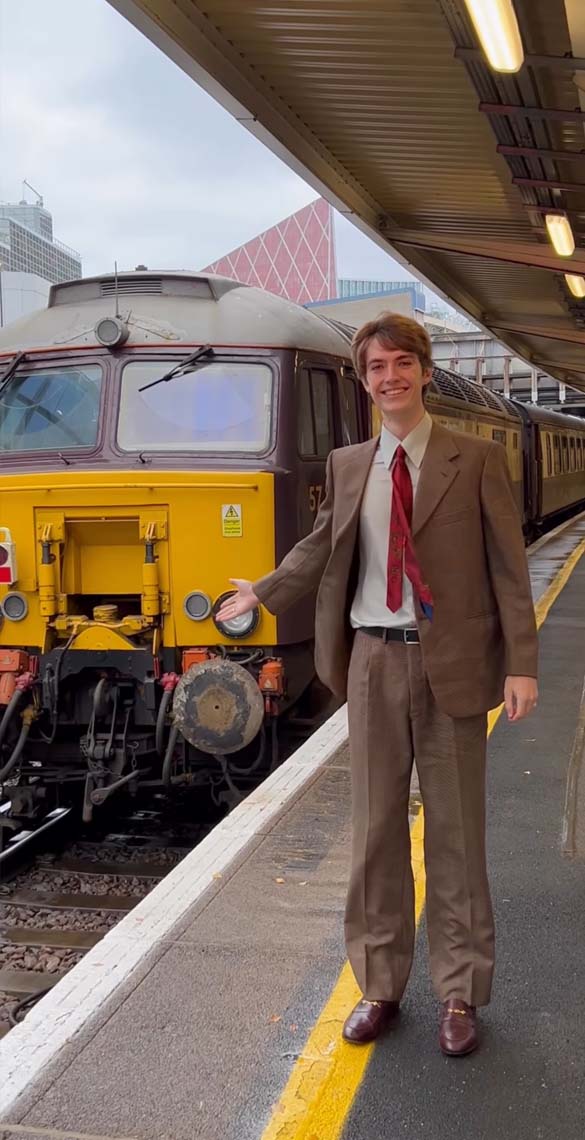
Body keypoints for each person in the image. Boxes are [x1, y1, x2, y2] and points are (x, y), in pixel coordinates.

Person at [215, 313, 538, 1057]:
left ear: (424, 371)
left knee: (455, 838)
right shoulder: (347, 463)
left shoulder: (476, 459)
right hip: (371, 661)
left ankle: (459, 992)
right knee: (374, 835)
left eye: (400, 363)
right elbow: (320, 544)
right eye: (375, 368)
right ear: (364, 382)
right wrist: (262, 592)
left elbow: (507, 572)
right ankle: (380, 986)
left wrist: (519, 662)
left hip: (450, 664)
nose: (388, 377)